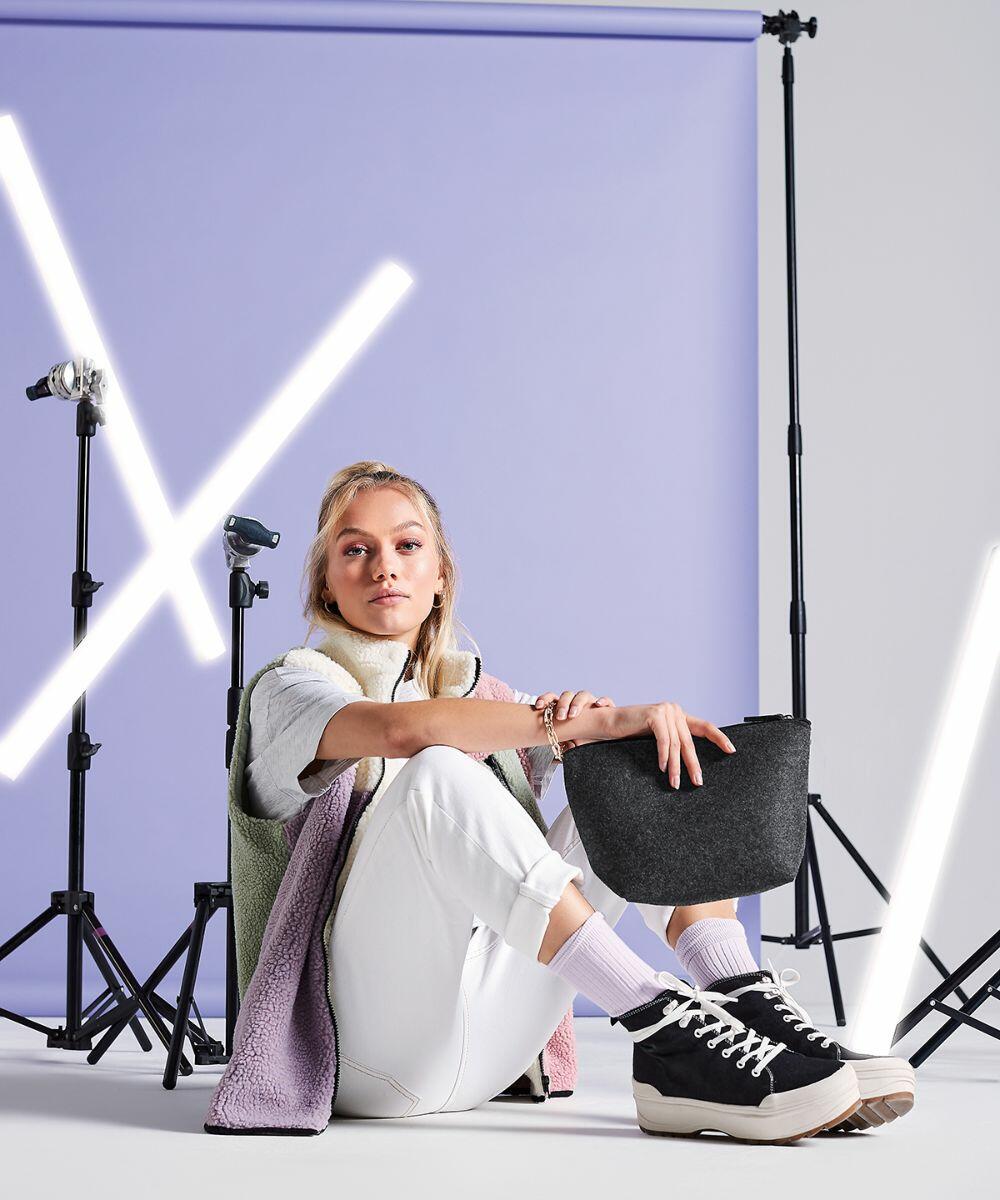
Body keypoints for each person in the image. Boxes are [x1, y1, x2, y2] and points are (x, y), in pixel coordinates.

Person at [243, 460, 915, 1143]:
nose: (384, 565)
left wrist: (593, 729)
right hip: (364, 1059)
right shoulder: (291, 689)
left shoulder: (485, 696)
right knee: (436, 772)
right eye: (355, 550)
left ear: (440, 572)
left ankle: (744, 999)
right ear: (326, 583)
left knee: (634, 771)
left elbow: (538, 743)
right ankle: (663, 1028)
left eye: (408, 545)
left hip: (492, 1048)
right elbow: (399, 731)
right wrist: (569, 725)